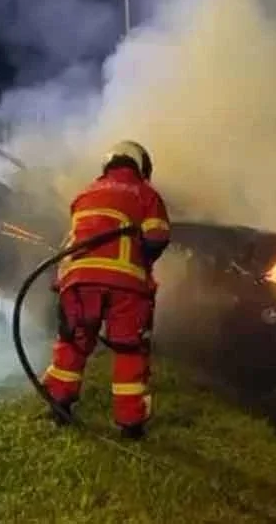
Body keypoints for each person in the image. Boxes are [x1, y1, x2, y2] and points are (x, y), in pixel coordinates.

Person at [41, 141, 171, 440]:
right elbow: (157, 237)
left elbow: (73, 240)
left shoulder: (85, 193)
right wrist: (141, 261)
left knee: (73, 342)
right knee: (128, 350)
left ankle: (59, 406)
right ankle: (130, 424)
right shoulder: (146, 193)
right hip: (126, 287)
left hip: (79, 282)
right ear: (141, 167)